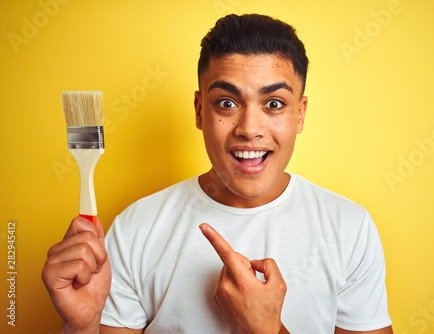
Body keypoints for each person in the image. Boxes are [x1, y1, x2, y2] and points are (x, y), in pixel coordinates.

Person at [42, 14, 393, 334]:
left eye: (274, 103)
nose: (250, 129)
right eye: (227, 102)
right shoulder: (136, 228)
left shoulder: (350, 229)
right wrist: (82, 324)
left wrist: (266, 329)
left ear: (299, 115)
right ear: (199, 111)